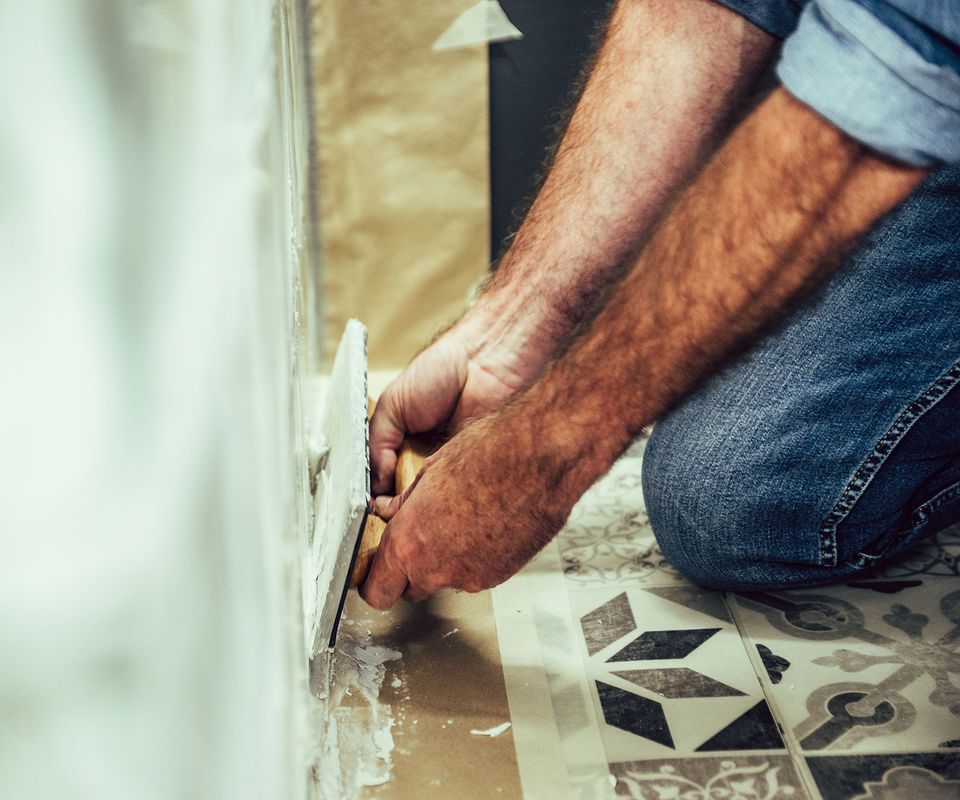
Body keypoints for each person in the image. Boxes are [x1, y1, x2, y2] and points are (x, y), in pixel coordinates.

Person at [358, 0, 960, 610]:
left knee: (739, 501)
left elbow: (887, 85)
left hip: (919, 67)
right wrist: (503, 339)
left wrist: (540, 456)